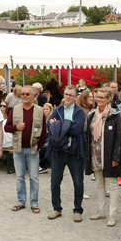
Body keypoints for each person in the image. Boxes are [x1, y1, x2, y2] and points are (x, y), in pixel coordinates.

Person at [84, 86, 121, 226]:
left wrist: (116, 158)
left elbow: (120, 139)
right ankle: (101, 211)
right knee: (99, 184)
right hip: (95, 154)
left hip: (109, 155)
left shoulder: (115, 116)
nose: (99, 99)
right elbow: (87, 135)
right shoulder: (92, 115)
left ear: (109, 99)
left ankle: (112, 214)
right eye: (97, 97)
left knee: (113, 185)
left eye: (102, 97)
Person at [47, 85, 87, 221]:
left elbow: (76, 129)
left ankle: (78, 210)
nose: (68, 97)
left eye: (71, 95)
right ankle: (56, 209)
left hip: (74, 152)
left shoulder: (80, 112)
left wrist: (59, 125)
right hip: (59, 151)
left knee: (78, 182)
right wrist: (63, 125)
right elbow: (49, 126)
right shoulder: (57, 110)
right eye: (66, 94)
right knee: (55, 182)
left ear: (76, 97)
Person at [6, 84, 46, 213]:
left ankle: (34, 203)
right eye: (22, 94)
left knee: (34, 177)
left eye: (27, 94)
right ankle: (21, 201)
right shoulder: (14, 109)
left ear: (34, 96)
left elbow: (44, 132)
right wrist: (16, 128)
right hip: (18, 149)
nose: (24, 96)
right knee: (19, 177)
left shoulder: (40, 110)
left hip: (33, 150)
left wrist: (38, 146)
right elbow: (7, 127)